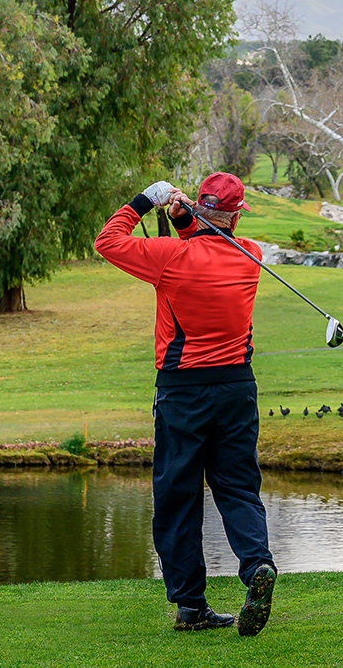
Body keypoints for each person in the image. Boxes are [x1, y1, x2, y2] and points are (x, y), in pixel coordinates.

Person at [94, 172, 277, 635]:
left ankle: (191, 607)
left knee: (177, 497)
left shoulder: (170, 258)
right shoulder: (251, 256)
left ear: (199, 206)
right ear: (235, 215)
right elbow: (210, 247)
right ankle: (257, 563)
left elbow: (108, 240)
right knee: (237, 486)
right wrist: (186, 224)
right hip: (237, 387)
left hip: (182, 391)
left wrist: (147, 201)